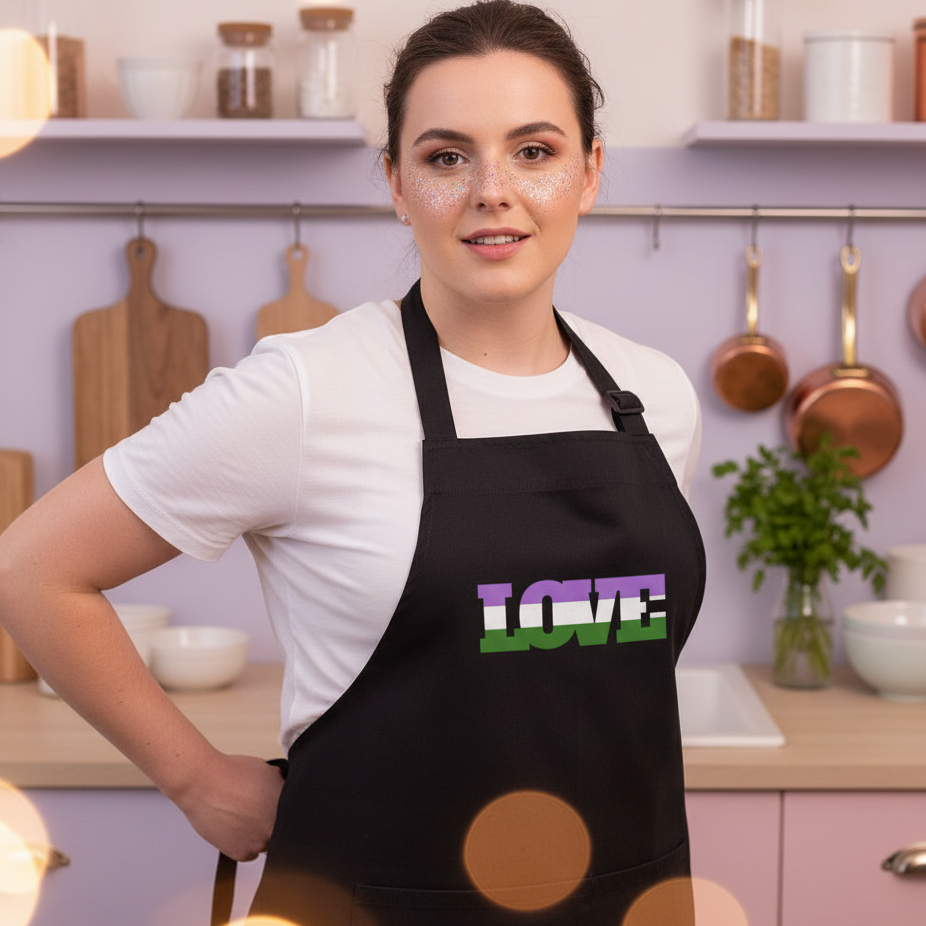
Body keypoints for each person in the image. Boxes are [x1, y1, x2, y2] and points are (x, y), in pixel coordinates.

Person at [0, 1, 704, 923]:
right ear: (396, 183)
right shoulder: (305, 389)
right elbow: (33, 568)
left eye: (534, 151)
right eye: (447, 156)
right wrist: (197, 778)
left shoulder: (655, 399)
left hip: (628, 895)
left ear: (591, 172)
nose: (493, 189)